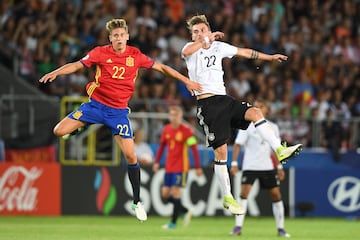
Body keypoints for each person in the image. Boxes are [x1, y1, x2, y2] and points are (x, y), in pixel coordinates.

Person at [39, 18, 202, 222]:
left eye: (121, 35)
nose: (118, 38)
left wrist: (186, 80)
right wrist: (56, 72)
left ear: (127, 36)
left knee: (131, 156)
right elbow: (77, 65)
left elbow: (162, 68)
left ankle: (137, 201)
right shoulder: (100, 52)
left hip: (118, 113)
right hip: (95, 106)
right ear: (110, 38)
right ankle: (78, 128)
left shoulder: (135, 55)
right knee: (59, 131)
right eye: (115, 35)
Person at [181, 14, 302, 215]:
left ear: (209, 30)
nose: (199, 34)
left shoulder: (219, 48)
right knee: (221, 152)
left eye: (202, 30)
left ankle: (279, 150)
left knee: (255, 112)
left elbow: (245, 52)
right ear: (192, 35)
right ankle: (228, 196)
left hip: (224, 99)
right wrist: (206, 39)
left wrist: (269, 57)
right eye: (195, 32)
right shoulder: (189, 49)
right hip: (207, 103)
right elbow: (187, 51)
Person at [229, 99, 291, 237]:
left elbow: (276, 149)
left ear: (267, 110)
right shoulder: (247, 126)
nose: (257, 108)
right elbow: (238, 144)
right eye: (256, 106)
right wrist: (234, 163)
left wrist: (280, 166)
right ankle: (238, 227)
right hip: (250, 166)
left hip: (267, 167)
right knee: (244, 194)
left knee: (276, 195)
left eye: (261, 106)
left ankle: (281, 228)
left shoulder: (273, 127)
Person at [153, 105, 203, 229]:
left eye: (176, 115)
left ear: (180, 116)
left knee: (175, 192)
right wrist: (156, 162)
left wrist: (197, 167)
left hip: (181, 167)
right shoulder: (167, 130)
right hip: (169, 166)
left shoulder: (187, 131)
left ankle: (173, 223)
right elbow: (161, 147)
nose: (173, 117)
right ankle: (185, 210)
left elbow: (194, 149)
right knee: (165, 194)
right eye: (171, 114)